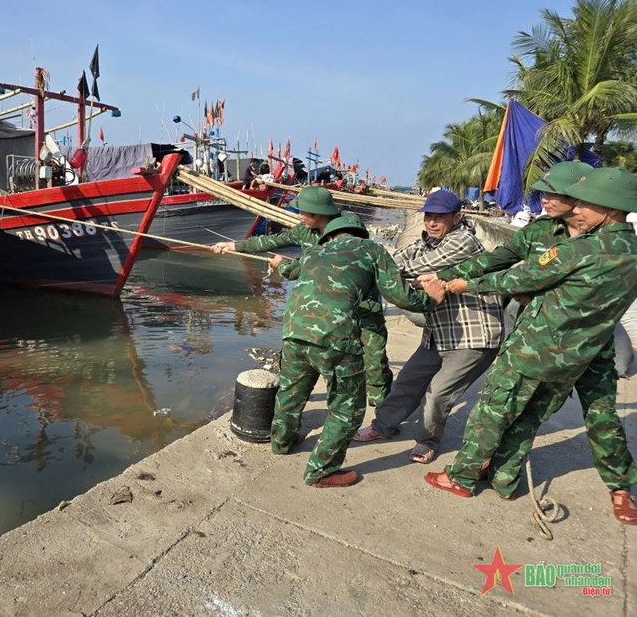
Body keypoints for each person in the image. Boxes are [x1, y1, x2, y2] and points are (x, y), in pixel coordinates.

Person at [425, 167, 637, 525]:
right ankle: (505, 478)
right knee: (530, 415)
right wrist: (449, 274)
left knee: (494, 410)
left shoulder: (579, 248)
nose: (545, 201)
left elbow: (518, 276)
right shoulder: (561, 235)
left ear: (610, 208)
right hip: (577, 351)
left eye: (574, 200)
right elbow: (503, 260)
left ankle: (461, 476)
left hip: (543, 346)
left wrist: (457, 285)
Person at [269, 215, 446, 487]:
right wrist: (431, 299)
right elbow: (400, 296)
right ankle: (321, 471)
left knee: (291, 392)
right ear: (360, 235)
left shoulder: (314, 251)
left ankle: (281, 442)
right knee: (347, 408)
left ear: (329, 236)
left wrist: (279, 264)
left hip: (293, 332)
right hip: (335, 337)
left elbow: (289, 271)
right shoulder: (372, 249)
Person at [353, 189, 505, 464]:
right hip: (439, 333)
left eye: (440, 218)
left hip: (473, 337)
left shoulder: (464, 241)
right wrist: (407, 276)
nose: (432, 223)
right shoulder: (424, 242)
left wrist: (405, 276)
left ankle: (427, 440)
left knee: (438, 395)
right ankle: (382, 426)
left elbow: (412, 269)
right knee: (407, 383)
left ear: (457, 217)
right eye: (428, 217)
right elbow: (392, 264)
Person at [210, 186, 394, 407]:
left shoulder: (348, 228)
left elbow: (312, 268)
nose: (299, 216)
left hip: (362, 305)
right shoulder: (304, 231)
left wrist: (285, 266)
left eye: (303, 212)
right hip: (326, 309)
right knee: (327, 360)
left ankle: (380, 410)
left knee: (374, 359)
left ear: (318, 213)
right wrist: (233, 245)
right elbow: (272, 241)